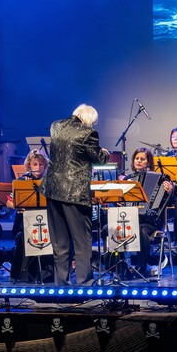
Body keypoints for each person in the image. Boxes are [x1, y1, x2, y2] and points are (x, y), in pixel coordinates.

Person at [41, 104, 110, 286]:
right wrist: (104, 153)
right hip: (75, 193)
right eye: (93, 123)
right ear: (89, 120)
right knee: (82, 242)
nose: (93, 126)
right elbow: (99, 159)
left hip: (53, 190)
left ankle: (61, 285)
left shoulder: (56, 126)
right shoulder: (88, 133)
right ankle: (84, 283)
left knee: (60, 243)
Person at [119, 147, 170, 278]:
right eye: (137, 158)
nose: (139, 161)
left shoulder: (160, 179)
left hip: (150, 221)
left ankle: (143, 267)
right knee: (108, 228)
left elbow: (168, 202)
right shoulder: (128, 179)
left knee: (141, 231)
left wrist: (170, 191)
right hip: (130, 219)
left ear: (148, 162)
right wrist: (119, 201)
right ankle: (120, 268)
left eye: (142, 159)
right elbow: (119, 202)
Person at [6, 149, 49, 282]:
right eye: (35, 164)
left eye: (41, 164)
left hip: (44, 221)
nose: (38, 167)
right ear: (29, 165)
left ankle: (47, 273)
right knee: (22, 237)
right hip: (24, 222)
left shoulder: (49, 181)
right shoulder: (22, 180)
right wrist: (18, 206)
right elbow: (9, 202)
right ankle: (18, 275)